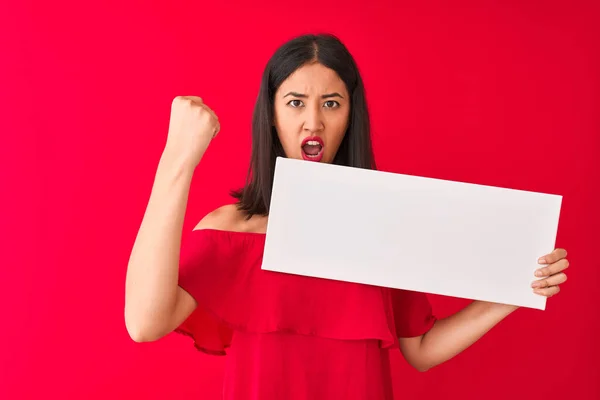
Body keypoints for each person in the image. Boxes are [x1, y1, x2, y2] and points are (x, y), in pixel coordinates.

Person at [124, 33, 570, 399]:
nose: (313, 122)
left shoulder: (385, 224)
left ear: (351, 116)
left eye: (331, 103)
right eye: (296, 102)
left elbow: (421, 348)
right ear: (272, 116)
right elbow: (144, 323)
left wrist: (513, 290)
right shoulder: (230, 231)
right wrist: (176, 160)